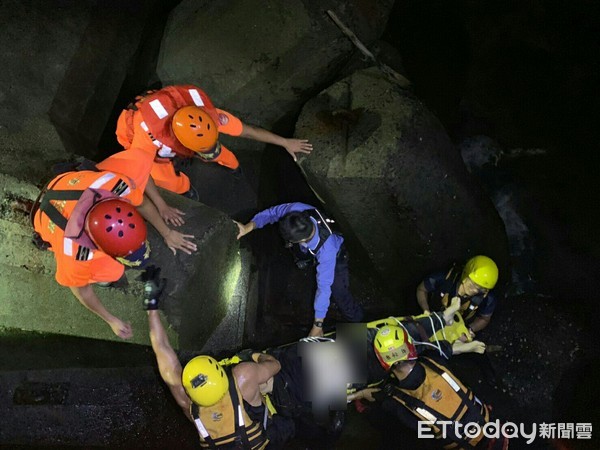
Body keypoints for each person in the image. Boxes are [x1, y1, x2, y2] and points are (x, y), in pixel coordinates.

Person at [32, 149, 197, 339]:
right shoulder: (73, 253)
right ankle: (105, 276)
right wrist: (110, 320)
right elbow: (81, 290)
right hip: (46, 214)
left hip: (68, 182)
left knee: (140, 161)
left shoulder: (114, 184)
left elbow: (140, 203)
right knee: (112, 273)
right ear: (98, 247)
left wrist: (167, 232)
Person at [143, 265, 296, 449]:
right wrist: (255, 355)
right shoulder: (243, 376)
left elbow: (162, 349)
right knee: (287, 422)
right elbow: (276, 365)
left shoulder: (187, 403)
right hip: (263, 442)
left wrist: (152, 305)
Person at [116, 84, 313, 196]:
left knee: (221, 154)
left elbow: (249, 131)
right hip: (147, 144)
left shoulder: (208, 116)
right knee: (167, 181)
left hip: (171, 132)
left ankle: (234, 166)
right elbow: (140, 172)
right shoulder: (147, 136)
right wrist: (161, 205)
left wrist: (286, 142)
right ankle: (185, 190)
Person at [351, 325, 508, 450]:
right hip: (486, 422)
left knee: (395, 427)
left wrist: (363, 394)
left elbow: (416, 431)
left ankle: (364, 410)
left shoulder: (394, 400)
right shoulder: (435, 360)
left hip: (462, 442)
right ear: (410, 348)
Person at [234, 203, 364, 337]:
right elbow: (272, 213)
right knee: (302, 258)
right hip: (310, 249)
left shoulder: (327, 250)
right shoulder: (295, 211)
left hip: (336, 258)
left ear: (302, 240)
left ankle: (356, 320)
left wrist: (318, 325)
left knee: (339, 292)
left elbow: (324, 287)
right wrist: (247, 227)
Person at [416, 255, 500, 337]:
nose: (475, 290)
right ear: (465, 274)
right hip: (432, 318)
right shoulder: (444, 278)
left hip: (455, 330)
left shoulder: (487, 299)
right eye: (473, 284)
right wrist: (426, 310)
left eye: (481, 289)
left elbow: (484, 319)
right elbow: (422, 290)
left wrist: (469, 329)